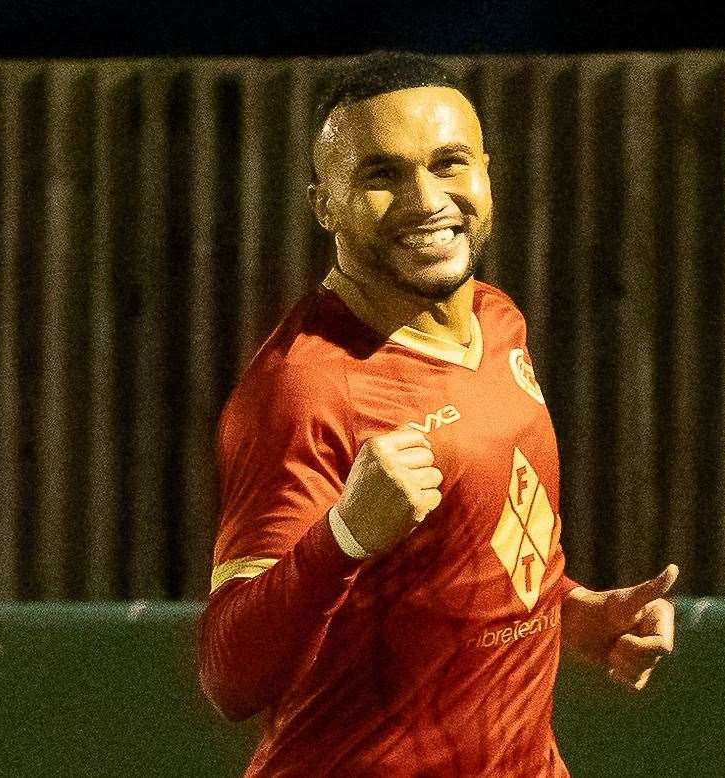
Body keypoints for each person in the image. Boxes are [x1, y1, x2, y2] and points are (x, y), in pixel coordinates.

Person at [198, 50, 678, 777]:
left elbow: (462, 558)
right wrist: (345, 535)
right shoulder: (304, 391)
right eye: (381, 175)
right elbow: (229, 676)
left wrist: (573, 612)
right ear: (324, 205)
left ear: (487, 173)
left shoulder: (497, 320)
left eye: (449, 163)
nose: (427, 199)